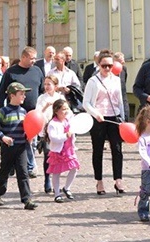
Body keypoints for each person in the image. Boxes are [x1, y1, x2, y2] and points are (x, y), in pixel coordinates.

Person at [0, 46, 44, 178]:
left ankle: (29, 166)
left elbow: (41, 90)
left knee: (31, 141)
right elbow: (2, 92)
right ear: (23, 57)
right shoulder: (11, 72)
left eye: (35, 58)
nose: (34, 61)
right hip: (14, 113)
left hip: (32, 113)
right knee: (14, 140)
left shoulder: (37, 71)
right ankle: (11, 165)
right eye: (31, 58)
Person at [82, 49, 125, 195]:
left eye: (110, 66)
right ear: (98, 64)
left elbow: (120, 101)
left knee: (117, 149)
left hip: (114, 117)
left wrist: (122, 119)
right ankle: (99, 181)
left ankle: (118, 179)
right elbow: (86, 103)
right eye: (104, 65)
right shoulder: (93, 81)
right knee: (98, 149)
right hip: (99, 118)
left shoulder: (117, 80)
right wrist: (95, 113)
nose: (107, 68)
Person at [0, 82, 38, 210]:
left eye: (24, 94)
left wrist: (29, 136)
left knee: (23, 173)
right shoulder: (3, 111)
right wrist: (3, 137)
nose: (24, 96)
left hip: (21, 147)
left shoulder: (23, 112)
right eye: (21, 94)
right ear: (12, 95)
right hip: (8, 147)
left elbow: (28, 128)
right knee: (4, 171)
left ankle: (27, 199)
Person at [46, 99, 79, 203]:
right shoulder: (53, 124)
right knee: (56, 172)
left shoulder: (67, 120)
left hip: (69, 150)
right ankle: (57, 193)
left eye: (67, 109)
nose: (66, 111)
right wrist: (65, 136)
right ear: (56, 111)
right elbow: (53, 138)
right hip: (58, 151)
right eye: (63, 109)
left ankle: (67, 187)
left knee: (74, 168)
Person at [35, 75, 65, 193]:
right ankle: (47, 179)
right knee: (48, 155)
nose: (46, 86)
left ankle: (56, 181)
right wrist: (46, 106)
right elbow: (37, 114)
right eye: (45, 84)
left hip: (58, 130)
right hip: (46, 130)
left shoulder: (60, 97)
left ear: (55, 86)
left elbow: (65, 112)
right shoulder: (41, 98)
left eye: (49, 84)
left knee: (58, 156)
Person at [113, 51, 131, 121]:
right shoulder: (110, 70)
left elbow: (124, 80)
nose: (121, 64)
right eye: (119, 62)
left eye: (122, 62)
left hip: (123, 93)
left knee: (126, 111)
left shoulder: (124, 69)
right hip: (114, 94)